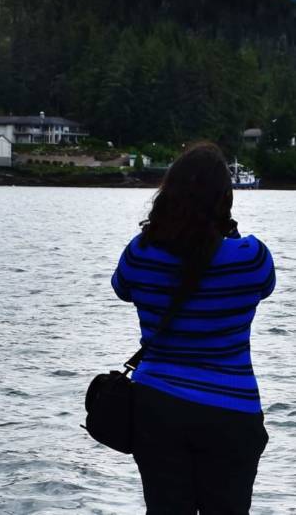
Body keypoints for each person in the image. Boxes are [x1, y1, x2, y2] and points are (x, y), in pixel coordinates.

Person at [111, 142, 276, 514]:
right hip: (231, 409)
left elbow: (122, 288)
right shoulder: (250, 257)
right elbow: (264, 286)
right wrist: (224, 232)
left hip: (158, 406)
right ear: (225, 200)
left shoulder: (141, 252)